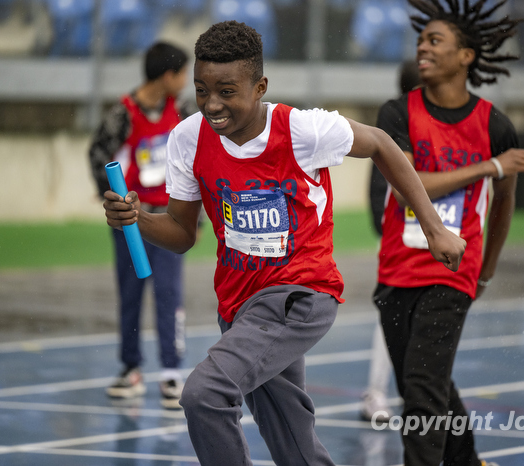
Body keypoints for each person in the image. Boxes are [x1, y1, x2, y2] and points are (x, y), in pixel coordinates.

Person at [102, 20, 466, 466]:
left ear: (260, 87)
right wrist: (138, 219)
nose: (212, 104)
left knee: (205, 394)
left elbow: (381, 144)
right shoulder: (188, 138)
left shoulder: (304, 130)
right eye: (201, 90)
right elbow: (181, 233)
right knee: (293, 444)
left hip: (300, 293)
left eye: (226, 91)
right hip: (239, 306)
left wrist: (433, 228)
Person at [373, 0, 524, 465]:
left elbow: (503, 204)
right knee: (426, 382)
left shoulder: (495, 126)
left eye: (435, 40)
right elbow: (407, 188)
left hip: (452, 273)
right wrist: (487, 167)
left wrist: (484, 272)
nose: (422, 48)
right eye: (420, 40)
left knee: (422, 390)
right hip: (396, 271)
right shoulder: (396, 114)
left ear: (466, 55)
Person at [89, 41, 195, 409]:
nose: (186, 80)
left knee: (169, 293)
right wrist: (109, 195)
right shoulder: (123, 114)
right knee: (130, 294)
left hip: (169, 220)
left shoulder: (183, 111)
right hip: (130, 223)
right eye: (183, 73)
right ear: (167, 75)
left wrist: (196, 213)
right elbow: (97, 153)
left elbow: (197, 159)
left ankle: (171, 372)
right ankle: (131, 368)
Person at [361, 58, 421, 423]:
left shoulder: (444, 122)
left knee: (421, 317)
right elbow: (381, 182)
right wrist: (385, 225)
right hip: (401, 235)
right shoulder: (396, 119)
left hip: (431, 235)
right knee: (394, 312)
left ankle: (417, 393)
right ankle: (376, 392)